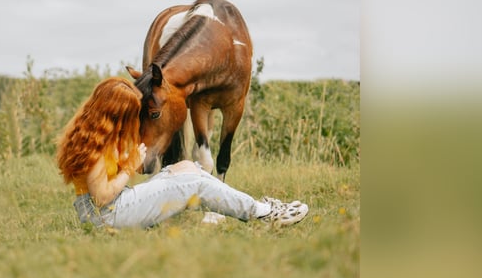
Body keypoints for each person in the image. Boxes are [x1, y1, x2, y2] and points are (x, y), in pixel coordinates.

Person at [56, 77, 309, 229]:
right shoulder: (94, 148)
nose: (133, 120)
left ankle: (257, 205)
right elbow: (101, 197)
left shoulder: (95, 133)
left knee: (187, 167)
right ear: (113, 114)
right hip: (105, 215)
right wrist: (130, 166)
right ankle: (263, 213)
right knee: (191, 184)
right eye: (129, 114)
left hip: (116, 205)